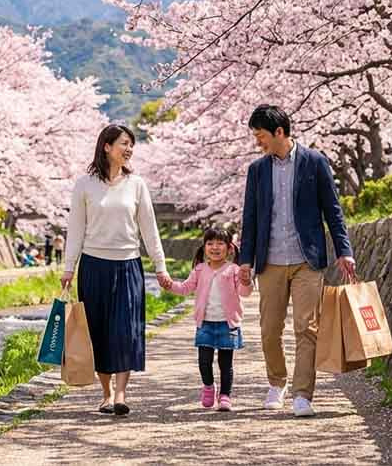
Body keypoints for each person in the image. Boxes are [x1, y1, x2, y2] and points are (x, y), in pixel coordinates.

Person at [238, 105, 357, 418]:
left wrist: (344, 250)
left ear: (279, 132)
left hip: (308, 259)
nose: (257, 142)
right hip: (270, 260)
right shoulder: (257, 170)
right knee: (269, 329)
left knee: (307, 328)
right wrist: (244, 260)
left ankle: (303, 394)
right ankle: (276, 382)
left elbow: (333, 210)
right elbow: (249, 217)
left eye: (260, 135)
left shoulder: (314, 162)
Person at [62, 124, 171, 417]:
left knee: (126, 331)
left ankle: (121, 394)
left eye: (131, 144)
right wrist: (68, 268)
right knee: (98, 331)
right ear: (107, 146)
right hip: (94, 266)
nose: (129, 149)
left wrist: (160, 267)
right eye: (124, 143)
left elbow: (149, 229)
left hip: (128, 266)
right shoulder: (85, 184)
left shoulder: (136, 184)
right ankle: (106, 393)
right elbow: (75, 230)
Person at [166, 227, 252, 411]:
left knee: (225, 363)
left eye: (220, 243)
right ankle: (208, 387)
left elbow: (245, 293)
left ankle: (225, 396)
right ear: (204, 247)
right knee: (204, 361)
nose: (215, 247)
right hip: (205, 323)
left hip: (227, 324)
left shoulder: (234, 270)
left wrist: (246, 281)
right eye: (210, 243)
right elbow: (185, 288)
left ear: (229, 248)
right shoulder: (199, 269)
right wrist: (170, 285)